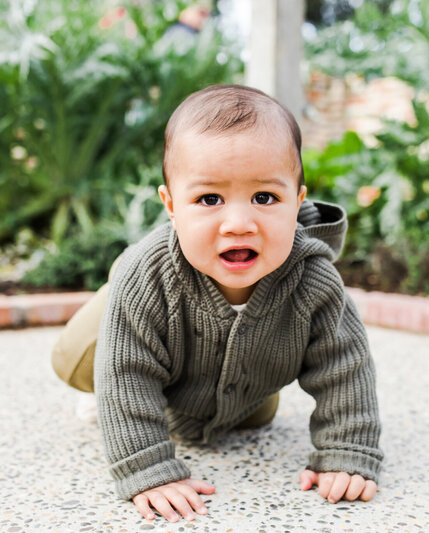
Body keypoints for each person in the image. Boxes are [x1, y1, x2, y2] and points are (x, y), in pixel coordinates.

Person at [50, 84, 383, 523]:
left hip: (244, 380)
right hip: (133, 342)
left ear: (296, 203)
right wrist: (147, 468)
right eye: (209, 199)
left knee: (252, 418)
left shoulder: (314, 279)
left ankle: (186, 403)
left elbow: (345, 366)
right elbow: (126, 370)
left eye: (265, 198)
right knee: (89, 360)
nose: (239, 224)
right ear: (171, 205)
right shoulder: (145, 276)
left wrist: (346, 450)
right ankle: (110, 383)